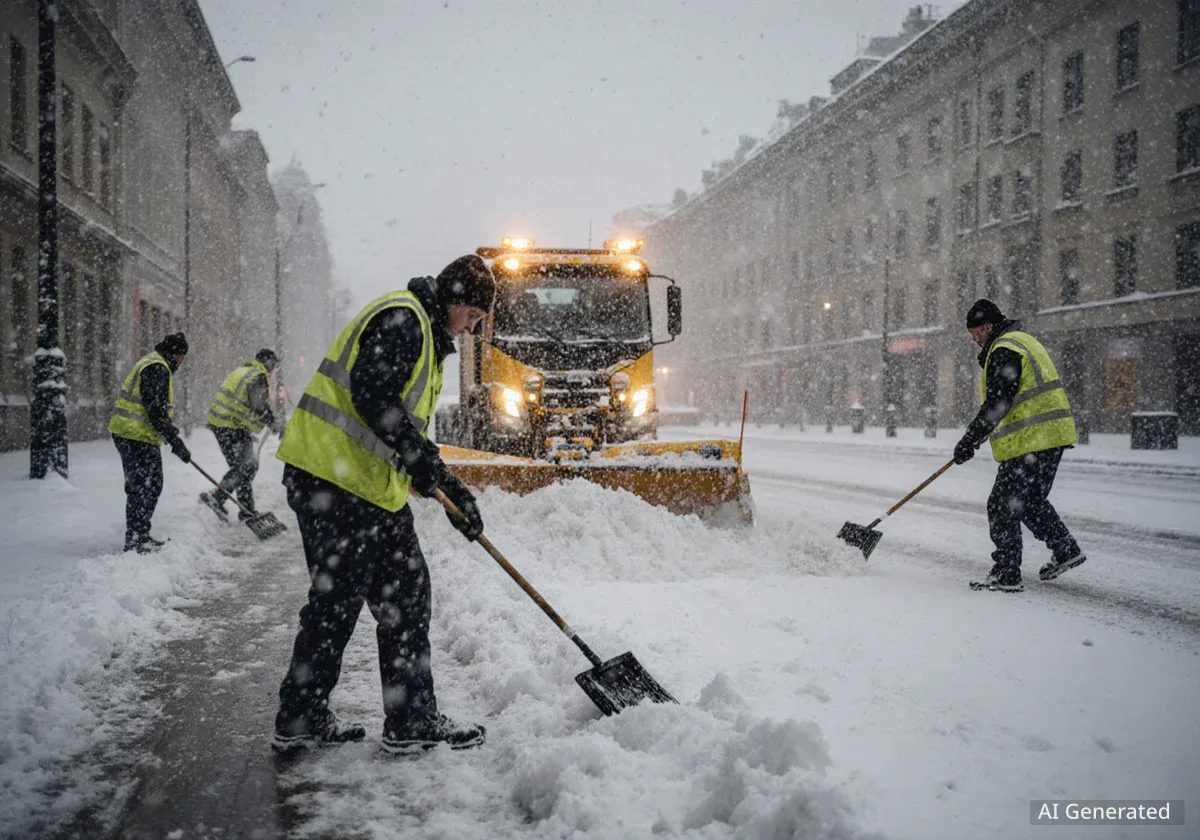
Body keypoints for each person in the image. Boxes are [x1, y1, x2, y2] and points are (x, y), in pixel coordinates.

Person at [271, 255, 495, 754]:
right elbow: (372, 396)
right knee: (337, 602)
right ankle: (302, 715)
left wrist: (449, 488)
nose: (471, 330)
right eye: (473, 318)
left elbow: (404, 430)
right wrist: (419, 461)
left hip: (366, 488)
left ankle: (409, 719)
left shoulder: (424, 333)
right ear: (456, 301)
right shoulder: (406, 320)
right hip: (333, 480)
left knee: (406, 597)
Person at [953, 299, 1086, 592]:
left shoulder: (1005, 348)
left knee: (1002, 504)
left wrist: (970, 438)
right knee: (1030, 501)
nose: (974, 339)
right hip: (1051, 434)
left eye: (976, 332)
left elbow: (999, 401)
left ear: (988, 327)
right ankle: (1065, 549)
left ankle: (1006, 573)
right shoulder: (1022, 341)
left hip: (1033, 438)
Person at [107, 332, 192, 553]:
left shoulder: (155, 362)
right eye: (182, 356)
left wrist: (173, 440)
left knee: (148, 484)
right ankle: (136, 538)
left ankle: (139, 533)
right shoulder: (158, 368)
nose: (182, 362)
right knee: (144, 485)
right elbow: (156, 410)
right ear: (176, 354)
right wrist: (175, 442)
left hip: (133, 434)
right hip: (134, 435)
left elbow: (157, 411)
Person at [199, 348, 285, 523]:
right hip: (231, 426)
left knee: (243, 467)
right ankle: (219, 498)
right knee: (247, 466)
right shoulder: (258, 375)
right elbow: (259, 406)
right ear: (268, 362)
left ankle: (244, 509)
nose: (273, 369)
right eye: (273, 365)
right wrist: (274, 424)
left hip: (222, 424)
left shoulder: (243, 371)